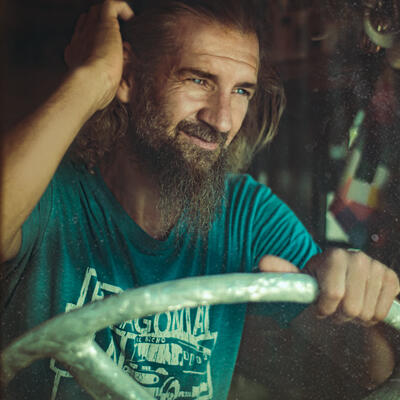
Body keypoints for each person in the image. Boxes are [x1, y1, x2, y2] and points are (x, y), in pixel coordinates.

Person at [0, 0, 399, 399]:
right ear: (129, 78)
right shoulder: (50, 192)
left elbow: (370, 369)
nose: (222, 120)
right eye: (199, 80)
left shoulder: (248, 214)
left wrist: (355, 299)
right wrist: (92, 78)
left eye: (241, 90)